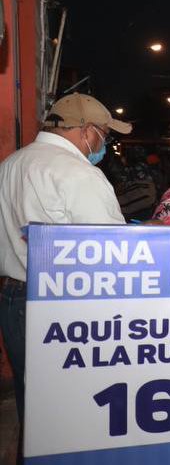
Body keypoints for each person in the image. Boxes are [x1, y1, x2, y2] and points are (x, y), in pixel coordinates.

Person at [0, 93, 132, 463]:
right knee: (70, 408)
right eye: (105, 134)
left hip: (13, 298)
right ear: (87, 131)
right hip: (63, 305)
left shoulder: (10, 164)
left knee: (33, 403)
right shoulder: (78, 173)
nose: (104, 143)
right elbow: (110, 251)